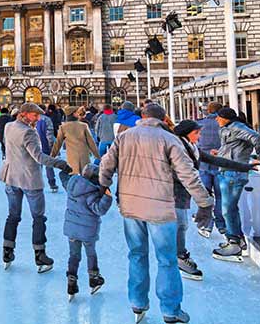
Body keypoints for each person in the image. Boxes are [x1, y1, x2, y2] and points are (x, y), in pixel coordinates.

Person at [99, 104, 213, 324]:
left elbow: (106, 165)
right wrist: (204, 202)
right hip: (160, 208)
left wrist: (102, 186)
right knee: (167, 260)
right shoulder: (169, 139)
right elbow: (188, 174)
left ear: (142, 117)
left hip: (131, 206)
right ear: (162, 119)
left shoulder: (124, 136)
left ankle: (137, 303)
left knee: (136, 255)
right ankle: (170, 309)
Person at [173, 119, 257, 280]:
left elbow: (216, 160)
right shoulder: (178, 148)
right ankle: (179, 258)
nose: (200, 135)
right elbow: (188, 176)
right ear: (186, 133)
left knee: (180, 225)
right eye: (196, 133)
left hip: (182, 193)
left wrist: (245, 166)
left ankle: (178, 256)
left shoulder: (191, 147)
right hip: (173, 192)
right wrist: (204, 203)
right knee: (180, 225)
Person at [0, 103, 72, 273]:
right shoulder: (28, 132)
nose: (37, 119)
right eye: (34, 115)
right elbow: (39, 157)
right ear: (24, 114)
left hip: (11, 177)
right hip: (29, 179)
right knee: (38, 218)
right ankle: (40, 255)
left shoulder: (9, 126)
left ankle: (7, 252)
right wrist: (60, 164)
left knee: (13, 216)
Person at [212, 107, 260, 262]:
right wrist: (219, 153)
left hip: (234, 172)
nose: (216, 119)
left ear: (226, 118)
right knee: (230, 208)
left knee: (228, 209)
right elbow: (231, 148)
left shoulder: (237, 127)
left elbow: (256, 138)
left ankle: (235, 243)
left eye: (218, 117)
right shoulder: (228, 128)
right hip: (228, 170)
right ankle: (236, 240)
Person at [64, 163, 113, 300]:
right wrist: (107, 197)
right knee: (91, 254)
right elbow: (99, 209)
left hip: (72, 229)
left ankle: (71, 282)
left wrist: (64, 168)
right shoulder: (91, 192)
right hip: (87, 232)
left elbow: (63, 177)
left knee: (74, 255)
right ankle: (94, 278)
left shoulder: (72, 185)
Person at [196, 101, 225, 238]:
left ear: (208, 110)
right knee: (220, 196)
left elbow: (195, 145)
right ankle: (222, 224)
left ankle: (206, 225)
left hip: (204, 164)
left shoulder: (200, 124)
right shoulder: (224, 126)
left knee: (205, 196)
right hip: (220, 164)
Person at [51, 106, 100, 187]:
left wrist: (52, 156)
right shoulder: (83, 126)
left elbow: (58, 143)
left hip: (72, 157)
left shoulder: (63, 127)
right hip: (84, 155)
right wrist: (97, 155)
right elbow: (91, 142)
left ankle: (75, 193)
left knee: (73, 178)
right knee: (86, 176)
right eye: (77, 112)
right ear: (73, 114)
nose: (78, 113)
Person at [36, 104, 58, 192]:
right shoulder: (47, 119)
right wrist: (51, 145)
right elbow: (49, 134)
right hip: (45, 146)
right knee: (49, 165)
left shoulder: (32, 120)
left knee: (37, 166)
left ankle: (36, 184)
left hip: (35, 146)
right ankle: (52, 183)